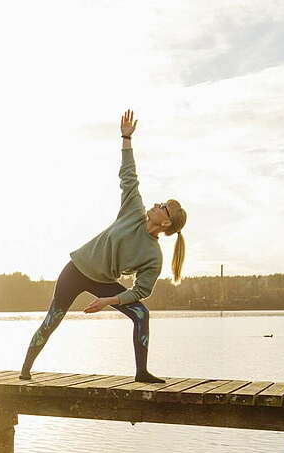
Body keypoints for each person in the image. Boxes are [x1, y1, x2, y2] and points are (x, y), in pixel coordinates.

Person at [18, 110, 188, 384]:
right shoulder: (134, 209)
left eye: (163, 206)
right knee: (53, 318)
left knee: (141, 314)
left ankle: (141, 373)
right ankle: (25, 370)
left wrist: (108, 300)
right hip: (76, 269)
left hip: (103, 283)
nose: (156, 204)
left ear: (166, 223)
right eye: (160, 203)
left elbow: (141, 291)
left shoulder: (153, 256)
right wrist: (126, 138)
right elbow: (128, 175)